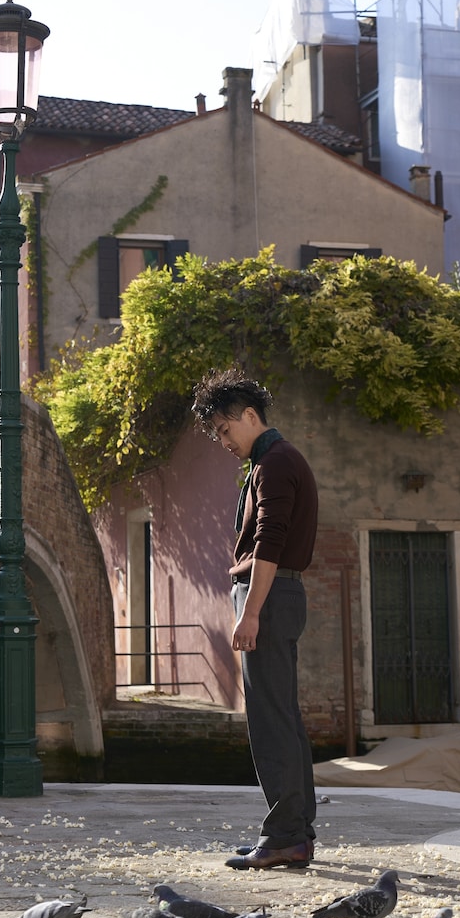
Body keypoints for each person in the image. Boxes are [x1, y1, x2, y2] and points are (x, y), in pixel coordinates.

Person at [192, 367, 319, 870]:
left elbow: (270, 540)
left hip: (269, 596)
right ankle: (295, 831)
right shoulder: (273, 462)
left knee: (270, 721)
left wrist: (250, 612)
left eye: (225, 430)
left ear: (250, 416)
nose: (222, 441)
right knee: (283, 716)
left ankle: (287, 833)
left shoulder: (275, 464)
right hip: (278, 595)